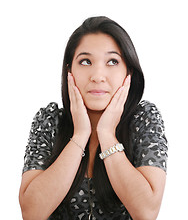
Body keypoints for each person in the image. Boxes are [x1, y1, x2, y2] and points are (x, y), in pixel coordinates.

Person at [19, 16, 168, 220]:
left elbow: (146, 212)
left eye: (112, 61)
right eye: (86, 61)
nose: (98, 76)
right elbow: (31, 213)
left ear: (128, 73)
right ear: (69, 70)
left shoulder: (143, 119)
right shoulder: (50, 120)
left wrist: (107, 135)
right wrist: (80, 135)